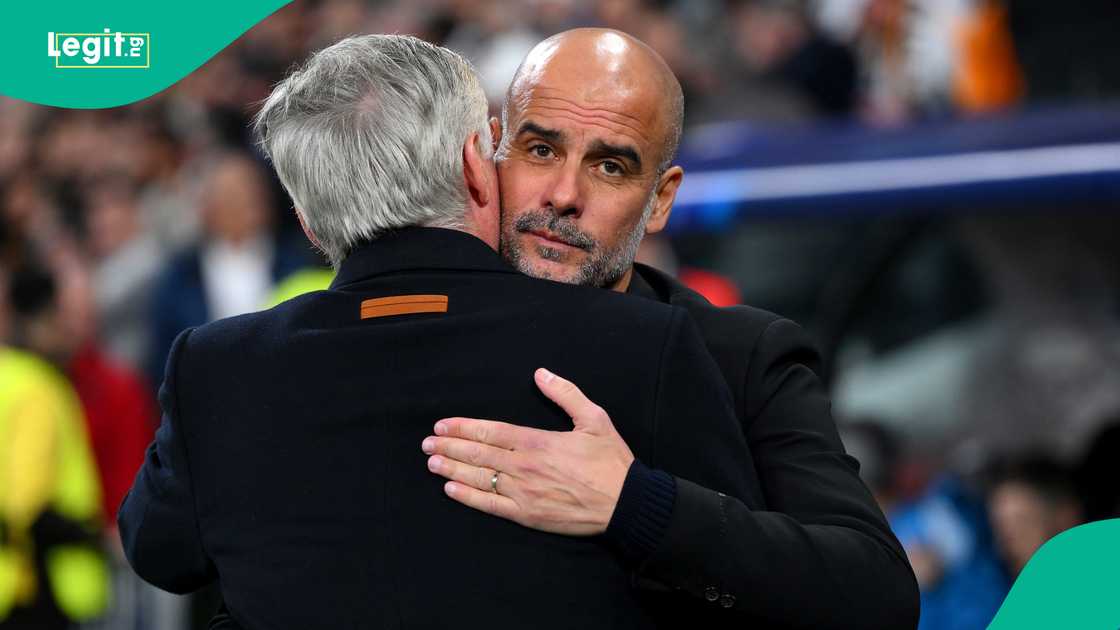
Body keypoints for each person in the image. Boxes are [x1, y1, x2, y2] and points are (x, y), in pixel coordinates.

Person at [118, 34, 764, 629]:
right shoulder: (644, 344)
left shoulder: (217, 366)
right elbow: (752, 586)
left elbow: (160, 551)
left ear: (309, 223)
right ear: (478, 163)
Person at [422, 28, 919, 628]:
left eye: (609, 166)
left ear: (660, 199)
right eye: (542, 150)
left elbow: (876, 593)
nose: (563, 196)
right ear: (492, 152)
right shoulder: (413, 329)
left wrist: (635, 504)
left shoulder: (744, 358)